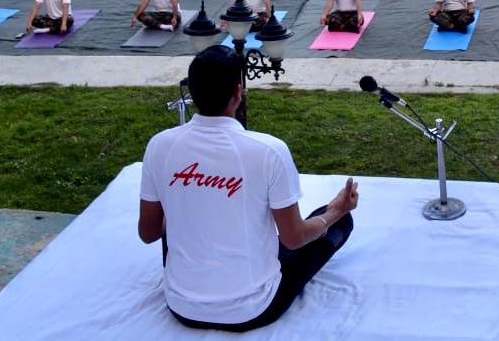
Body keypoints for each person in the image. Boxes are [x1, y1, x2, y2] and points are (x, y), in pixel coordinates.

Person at [138, 44, 358, 333]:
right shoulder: (268, 151)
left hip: (181, 305)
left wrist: (187, 202)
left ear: (191, 92)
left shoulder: (160, 146)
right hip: (253, 308)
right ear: (238, 93)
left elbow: (149, 232)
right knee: (338, 224)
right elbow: (293, 239)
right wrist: (335, 211)